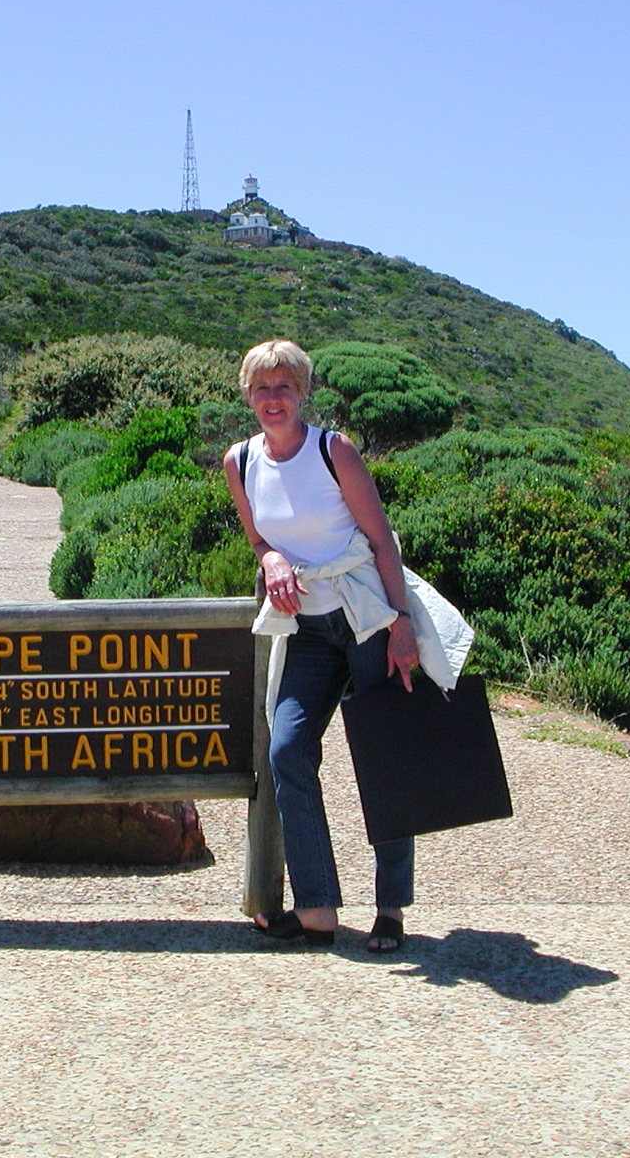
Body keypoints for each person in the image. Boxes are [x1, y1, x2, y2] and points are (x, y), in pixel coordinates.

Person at [223, 339, 421, 953]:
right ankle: (317, 911)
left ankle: (390, 907)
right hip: (305, 630)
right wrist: (273, 557)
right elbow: (258, 541)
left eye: (284, 387)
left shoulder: (334, 451)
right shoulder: (240, 461)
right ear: (248, 394)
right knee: (286, 751)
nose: (273, 398)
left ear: (303, 391)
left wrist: (402, 623)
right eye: (262, 388)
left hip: (363, 617)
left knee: (383, 753)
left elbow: (382, 542)